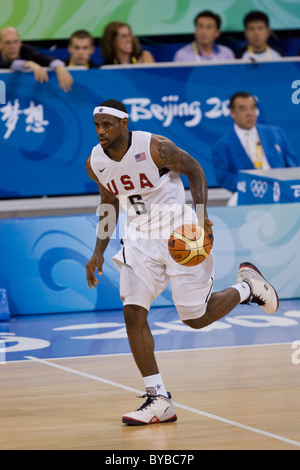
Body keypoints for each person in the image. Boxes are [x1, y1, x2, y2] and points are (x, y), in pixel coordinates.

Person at [85, 99, 279, 425]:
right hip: (139, 239)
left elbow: (195, 170)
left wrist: (202, 219)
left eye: (108, 125)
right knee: (133, 311)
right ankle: (158, 398)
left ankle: (247, 288)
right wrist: (98, 251)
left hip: (180, 235)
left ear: (124, 123)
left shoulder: (156, 147)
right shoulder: (95, 161)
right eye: (97, 126)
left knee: (195, 318)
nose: (102, 132)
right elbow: (108, 203)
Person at [212, 91, 298, 198]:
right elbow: (223, 177)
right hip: (248, 195)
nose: (249, 113)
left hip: (282, 190)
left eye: (252, 108)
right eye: (243, 108)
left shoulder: (275, 133)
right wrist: (248, 187)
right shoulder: (222, 145)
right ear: (232, 113)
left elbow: (292, 164)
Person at [0, 26, 73, 92]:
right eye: (7, 42)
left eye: (15, 41)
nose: (12, 46)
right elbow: (5, 64)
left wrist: (59, 68)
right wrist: (27, 63)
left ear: (20, 43)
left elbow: (45, 59)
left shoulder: (26, 51)